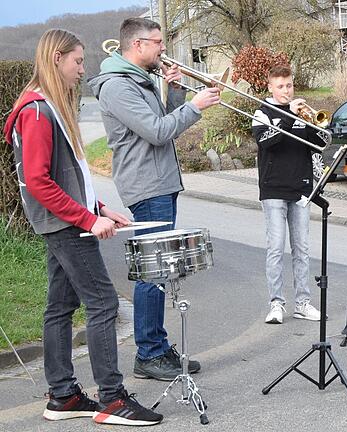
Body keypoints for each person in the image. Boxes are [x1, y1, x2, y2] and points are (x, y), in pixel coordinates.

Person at [3, 29, 162, 426]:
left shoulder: (49, 106)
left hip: (67, 219)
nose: (81, 69)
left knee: (60, 306)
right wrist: (88, 219)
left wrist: (101, 206)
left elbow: (68, 174)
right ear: (57, 58)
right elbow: (39, 182)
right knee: (104, 304)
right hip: (65, 225)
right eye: (77, 61)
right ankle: (112, 399)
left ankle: (63, 397)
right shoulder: (38, 110)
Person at [89, 17, 220, 381]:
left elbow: (161, 120)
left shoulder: (138, 80)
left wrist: (176, 94)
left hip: (158, 182)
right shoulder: (118, 86)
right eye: (158, 42)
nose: (163, 48)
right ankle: (148, 353)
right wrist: (195, 105)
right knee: (153, 273)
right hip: (147, 186)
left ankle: (157, 346)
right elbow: (158, 132)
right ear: (137, 45)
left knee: (160, 271)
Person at [252, 64, 326, 324]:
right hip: (273, 189)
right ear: (270, 87)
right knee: (275, 249)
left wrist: (313, 124)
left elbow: (319, 144)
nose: (286, 90)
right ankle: (276, 304)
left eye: (289, 85)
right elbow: (266, 141)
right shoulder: (261, 112)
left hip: (301, 188)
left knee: (302, 249)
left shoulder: (302, 112)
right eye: (281, 86)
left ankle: (303, 303)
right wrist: (289, 116)